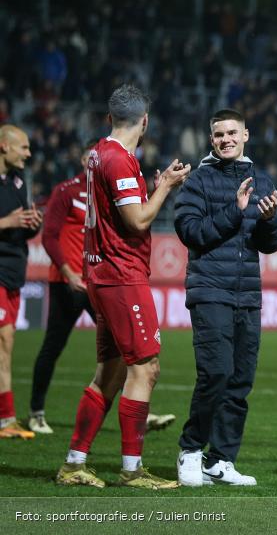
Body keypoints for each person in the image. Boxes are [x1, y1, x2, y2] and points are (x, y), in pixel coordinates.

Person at [55, 84, 191, 489]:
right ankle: (132, 470)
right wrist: (165, 185)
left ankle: (73, 463)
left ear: (109, 118)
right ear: (145, 121)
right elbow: (137, 221)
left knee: (111, 374)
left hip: (101, 273)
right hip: (120, 276)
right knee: (146, 368)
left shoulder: (99, 152)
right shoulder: (117, 159)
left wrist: (154, 186)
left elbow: (124, 214)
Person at [29, 142, 177, 435]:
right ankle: (36, 411)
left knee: (124, 351)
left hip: (97, 280)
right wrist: (68, 272)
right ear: (86, 160)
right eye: (87, 157)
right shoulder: (66, 191)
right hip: (67, 283)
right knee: (53, 346)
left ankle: (137, 409)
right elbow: (50, 237)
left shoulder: (106, 192)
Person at [174, 108, 277, 487]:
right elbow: (190, 232)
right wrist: (235, 212)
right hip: (209, 290)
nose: (226, 140)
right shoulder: (198, 181)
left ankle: (220, 460)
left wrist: (269, 221)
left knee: (239, 380)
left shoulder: (264, 181)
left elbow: (271, 245)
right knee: (216, 373)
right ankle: (190, 449)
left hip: (247, 295)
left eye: (232, 133)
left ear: (246, 135)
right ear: (211, 140)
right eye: (219, 134)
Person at [0, 124, 42, 440]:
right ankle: (6, 419)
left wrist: (30, 224)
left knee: (6, 343)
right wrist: (8, 221)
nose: (28, 153)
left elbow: (19, 227)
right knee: (5, 342)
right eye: (23, 147)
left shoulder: (17, 181)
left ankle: (6, 418)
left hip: (15, 273)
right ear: (4, 146)